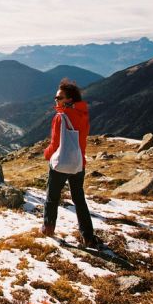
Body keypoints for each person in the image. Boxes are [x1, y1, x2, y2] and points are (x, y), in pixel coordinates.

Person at [41, 79, 98, 247]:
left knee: (52, 197)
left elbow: (55, 143)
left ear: (69, 100)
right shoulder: (84, 115)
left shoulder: (61, 117)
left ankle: (48, 228)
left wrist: (47, 155)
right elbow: (81, 140)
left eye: (59, 98)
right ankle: (88, 236)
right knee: (79, 199)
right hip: (78, 163)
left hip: (60, 163)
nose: (56, 100)